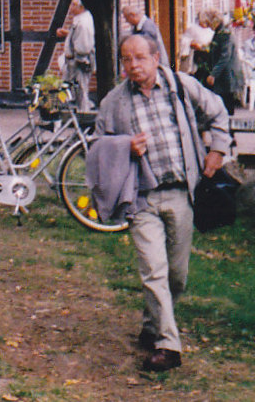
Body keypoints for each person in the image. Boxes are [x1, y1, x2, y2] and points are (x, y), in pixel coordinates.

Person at [94, 34, 231, 372]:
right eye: (126, 59)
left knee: (177, 276)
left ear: (156, 57)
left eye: (139, 57)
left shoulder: (181, 87)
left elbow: (218, 112)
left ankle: (151, 325)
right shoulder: (113, 102)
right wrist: (125, 146)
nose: (133, 65)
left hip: (182, 194)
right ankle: (168, 345)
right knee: (153, 271)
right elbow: (97, 147)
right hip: (141, 198)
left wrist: (217, 149)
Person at [202, 9, 246, 115]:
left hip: (227, 75)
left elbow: (225, 56)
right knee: (222, 106)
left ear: (215, 21)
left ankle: (228, 130)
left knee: (227, 106)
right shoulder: (218, 32)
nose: (208, 26)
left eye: (208, 23)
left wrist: (213, 74)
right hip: (222, 76)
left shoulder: (225, 34)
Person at [61, 0, 97, 112]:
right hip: (77, 60)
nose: (71, 8)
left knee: (80, 89)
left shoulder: (83, 23)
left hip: (80, 61)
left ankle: (84, 114)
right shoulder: (80, 20)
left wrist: (78, 61)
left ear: (80, 7)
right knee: (77, 90)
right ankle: (81, 112)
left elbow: (83, 46)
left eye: (73, 5)